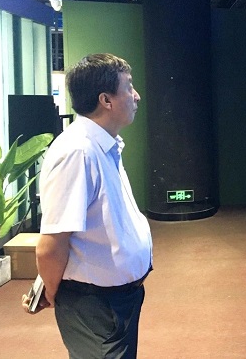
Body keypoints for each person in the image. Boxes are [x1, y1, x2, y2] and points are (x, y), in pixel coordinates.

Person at [22, 53, 153, 359]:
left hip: (114, 301)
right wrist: (51, 292)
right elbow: (51, 245)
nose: (136, 96)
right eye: (129, 87)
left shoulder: (103, 144)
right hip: (94, 305)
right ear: (106, 100)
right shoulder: (78, 152)